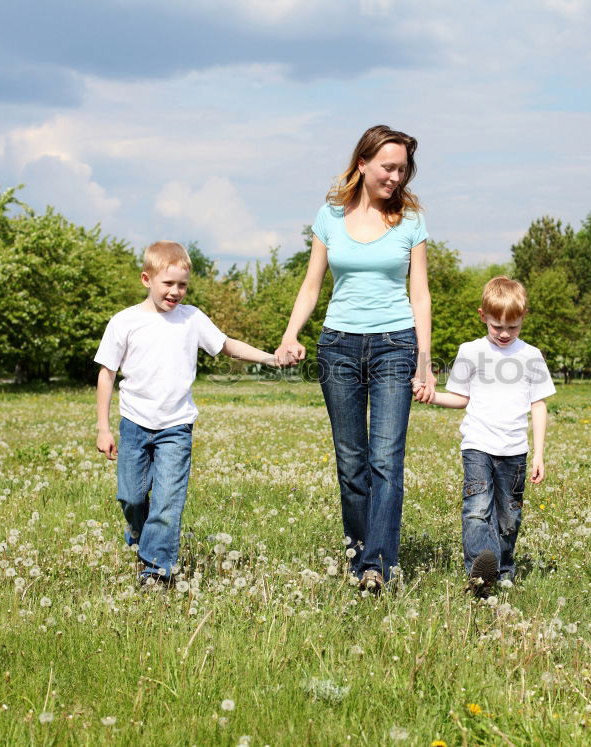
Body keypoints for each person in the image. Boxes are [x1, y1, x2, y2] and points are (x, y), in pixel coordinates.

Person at [274, 125, 435, 593]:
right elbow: (311, 284)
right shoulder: (329, 216)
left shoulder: (410, 221)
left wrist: (423, 358)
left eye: (403, 169)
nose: (396, 176)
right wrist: (291, 334)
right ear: (362, 163)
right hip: (338, 346)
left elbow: (419, 293)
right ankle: (360, 553)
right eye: (388, 166)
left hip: (394, 344)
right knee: (351, 461)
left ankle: (376, 567)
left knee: (386, 457)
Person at [95, 241, 277, 588]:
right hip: (134, 424)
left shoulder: (192, 318)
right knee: (131, 497)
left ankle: (156, 571)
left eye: (182, 285)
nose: (176, 292)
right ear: (146, 279)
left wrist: (269, 358)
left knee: (166, 502)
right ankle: (140, 535)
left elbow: (227, 345)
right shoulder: (125, 322)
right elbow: (106, 374)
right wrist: (104, 429)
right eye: (168, 284)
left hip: (176, 427)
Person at [413, 276, 555, 598]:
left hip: (515, 452)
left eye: (513, 327)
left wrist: (539, 454)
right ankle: (480, 574)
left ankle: (503, 569)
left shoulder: (531, 356)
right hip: (477, 445)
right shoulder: (471, 351)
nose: (504, 334)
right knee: (476, 509)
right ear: (482, 316)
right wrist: (431, 396)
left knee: (509, 518)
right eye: (496, 327)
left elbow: (539, 405)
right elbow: (460, 398)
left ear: (523, 319)